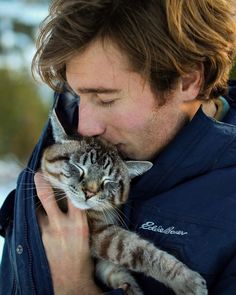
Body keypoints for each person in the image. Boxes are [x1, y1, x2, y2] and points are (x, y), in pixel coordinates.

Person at [1, 0, 236, 294]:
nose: (84, 127)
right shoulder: (68, 121)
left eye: (106, 99)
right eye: (77, 96)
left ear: (187, 80)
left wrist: (74, 286)